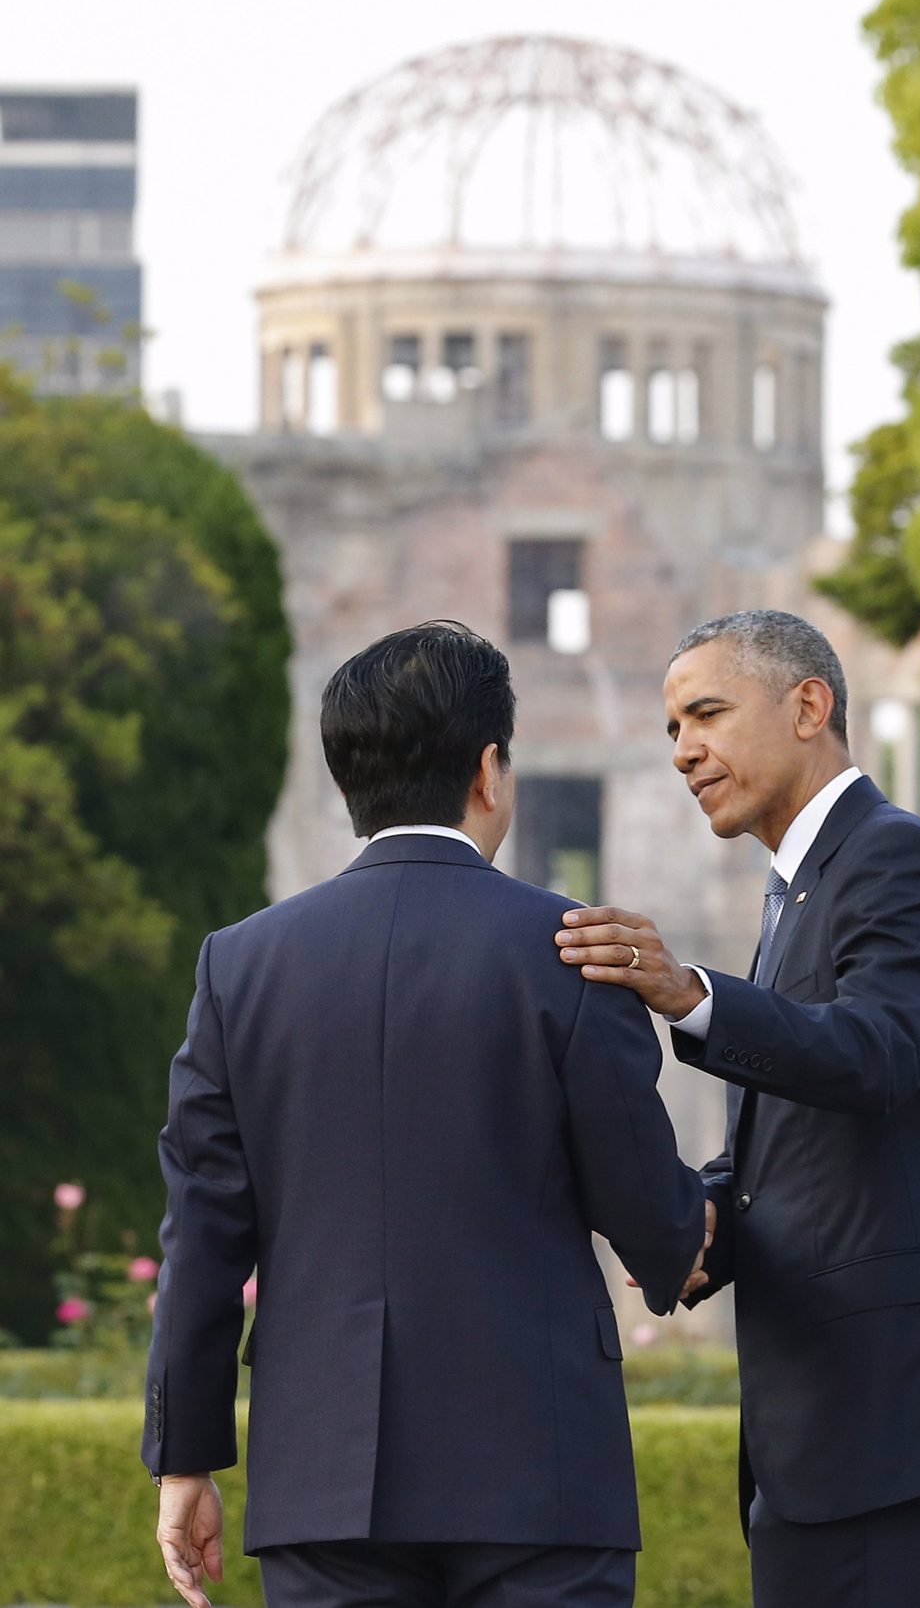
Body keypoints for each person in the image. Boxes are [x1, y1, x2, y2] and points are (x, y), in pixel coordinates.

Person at [141, 620, 707, 1608]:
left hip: (324, 1479)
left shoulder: (242, 966)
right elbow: (654, 1221)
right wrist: (701, 1237)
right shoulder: (574, 950)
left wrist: (185, 1461)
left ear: (347, 775)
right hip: (543, 1475)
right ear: (491, 770)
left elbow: (202, 1235)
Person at [556, 609, 920, 1608]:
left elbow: (877, 1057)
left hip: (898, 1404)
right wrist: (690, 1227)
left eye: (706, 713)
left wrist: (689, 994)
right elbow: (801, 1144)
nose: (685, 750)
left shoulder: (896, 859)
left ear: (809, 705)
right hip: (837, 1415)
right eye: (671, 729)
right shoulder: (798, 891)